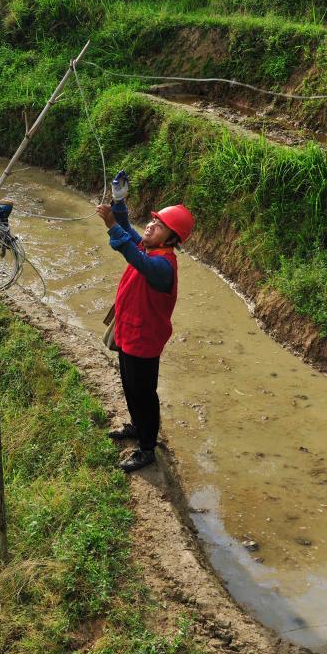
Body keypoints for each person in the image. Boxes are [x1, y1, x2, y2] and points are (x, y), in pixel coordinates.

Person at [95, 174, 194, 472]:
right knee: (129, 385)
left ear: (172, 239)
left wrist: (112, 225)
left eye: (159, 225)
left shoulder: (162, 265)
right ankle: (138, 427)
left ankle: (147, 448)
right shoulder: (150, 249)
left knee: (144, 394)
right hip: (129, 333)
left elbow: (130, 252)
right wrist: (120, 202)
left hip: (144, 340)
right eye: (152, 221)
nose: (150, 226)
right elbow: (128, 231)